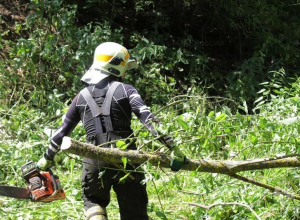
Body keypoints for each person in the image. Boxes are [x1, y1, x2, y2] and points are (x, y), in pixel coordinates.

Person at [37, 42, 187, 220]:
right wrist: (174, 149)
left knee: (93, 201)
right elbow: (150, 121)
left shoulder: (80, 97)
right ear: (117, 66)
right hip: (127, 159)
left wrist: (46, 159)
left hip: (94, 158)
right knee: (135, 212)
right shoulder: (127, 90)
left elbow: (61, 134)